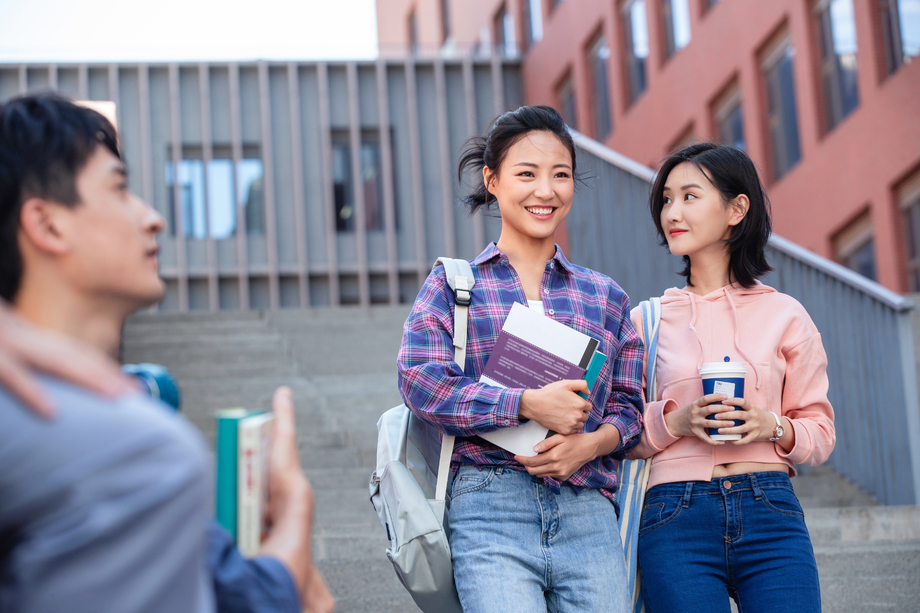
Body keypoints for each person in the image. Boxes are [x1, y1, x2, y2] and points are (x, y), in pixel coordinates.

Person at [0, 93, 333, 613]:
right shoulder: (136, 451)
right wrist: (294, 507)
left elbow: (228, 586)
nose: (152, 218)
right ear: (47, 224)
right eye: (119, 188)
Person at [397, 105, 644, 613]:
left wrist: (590, 444)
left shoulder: (606, 297)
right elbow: (422, 382)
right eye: (526, 174)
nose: (545, 191)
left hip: (586, 510)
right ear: (492, 179)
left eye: (561, 175)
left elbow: (630, 408)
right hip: (489, 505)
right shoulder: (454, 284)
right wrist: (526, 404)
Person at [627, 143, 835, 613]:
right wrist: (673, 424)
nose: (672, 212)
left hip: (771, 509)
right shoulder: (646, 321)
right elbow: (615, 430)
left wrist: (771, 426)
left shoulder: (786, 315)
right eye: (666, 199)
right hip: (673, 514)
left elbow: (821, 433)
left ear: (737, 209)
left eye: (689, 196)